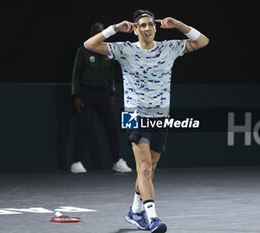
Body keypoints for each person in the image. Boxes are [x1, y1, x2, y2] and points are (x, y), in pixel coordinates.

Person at [83, 10, 209, 233]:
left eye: (150, 24)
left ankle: (134, 211)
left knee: (149, 169)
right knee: (143, 167)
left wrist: (178, 23)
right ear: (135, 29)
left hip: (161, 116)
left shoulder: (169, 48)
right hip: (133, 115)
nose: (147, 28)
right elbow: (89, 45)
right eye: (142, 25)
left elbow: (202, 41)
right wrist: (114, 28)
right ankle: (152, 218)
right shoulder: (124, 49)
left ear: (156, 27)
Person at [71, 22, 132, 174]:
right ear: (91, 34)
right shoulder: (84, 50)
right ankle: (76, 162)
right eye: (96, 32)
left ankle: (117, 160)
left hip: (104, 93)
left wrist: (111, 93)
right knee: (83, 127)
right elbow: (76, 73)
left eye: (101, 32)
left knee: (112, 127)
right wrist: (77, 95)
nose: (98, 34)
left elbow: (111, 74)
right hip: (87, 92)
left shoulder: (108, 51)